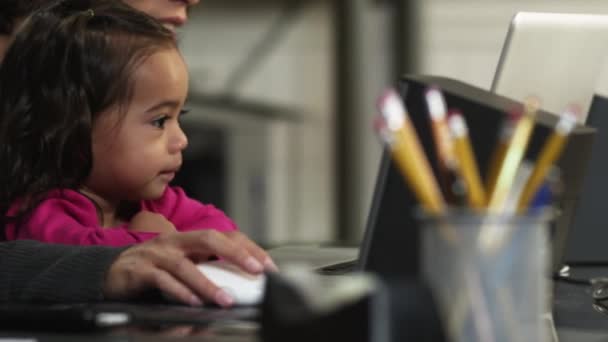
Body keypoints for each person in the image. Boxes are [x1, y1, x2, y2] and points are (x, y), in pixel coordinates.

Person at [0, 0, 239, 247]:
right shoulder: (40, 214)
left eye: (180, 117)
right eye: (160, 121)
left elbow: (223, 232)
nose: (182, 140)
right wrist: (155, 239)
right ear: (72, 127)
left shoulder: (147, 200)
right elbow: (88, 261)